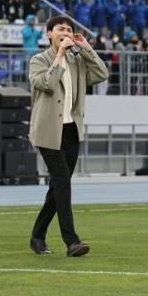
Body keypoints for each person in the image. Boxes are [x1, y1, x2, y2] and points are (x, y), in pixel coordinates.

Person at [28, 15, 109, 257]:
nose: (65, 32)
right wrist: (60, 55)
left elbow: (102, 73)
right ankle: (72, 241)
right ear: (49, 34)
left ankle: (37, 236)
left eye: (69, 29)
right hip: (47, 132)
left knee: (57, 187)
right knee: (62, 182)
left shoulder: (77, 61)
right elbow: (47, 84)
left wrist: (86, 49)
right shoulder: (38, 60)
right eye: (60, 29)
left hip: (71, 130)